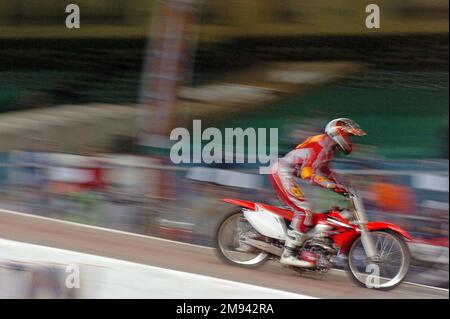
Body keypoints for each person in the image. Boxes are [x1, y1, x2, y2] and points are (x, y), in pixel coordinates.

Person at [269, 118, 366, 267]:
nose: (350, 142)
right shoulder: (321, 146)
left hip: (287, 173)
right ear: (338, 134)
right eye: (348, 136)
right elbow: (308, 173)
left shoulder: (326, 148)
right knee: (304, 211)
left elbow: (326, 172)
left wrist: (344, 188)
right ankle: (288, 254)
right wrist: (330, 185)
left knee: (311, 214)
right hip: (282, 172)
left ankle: (302, 245)